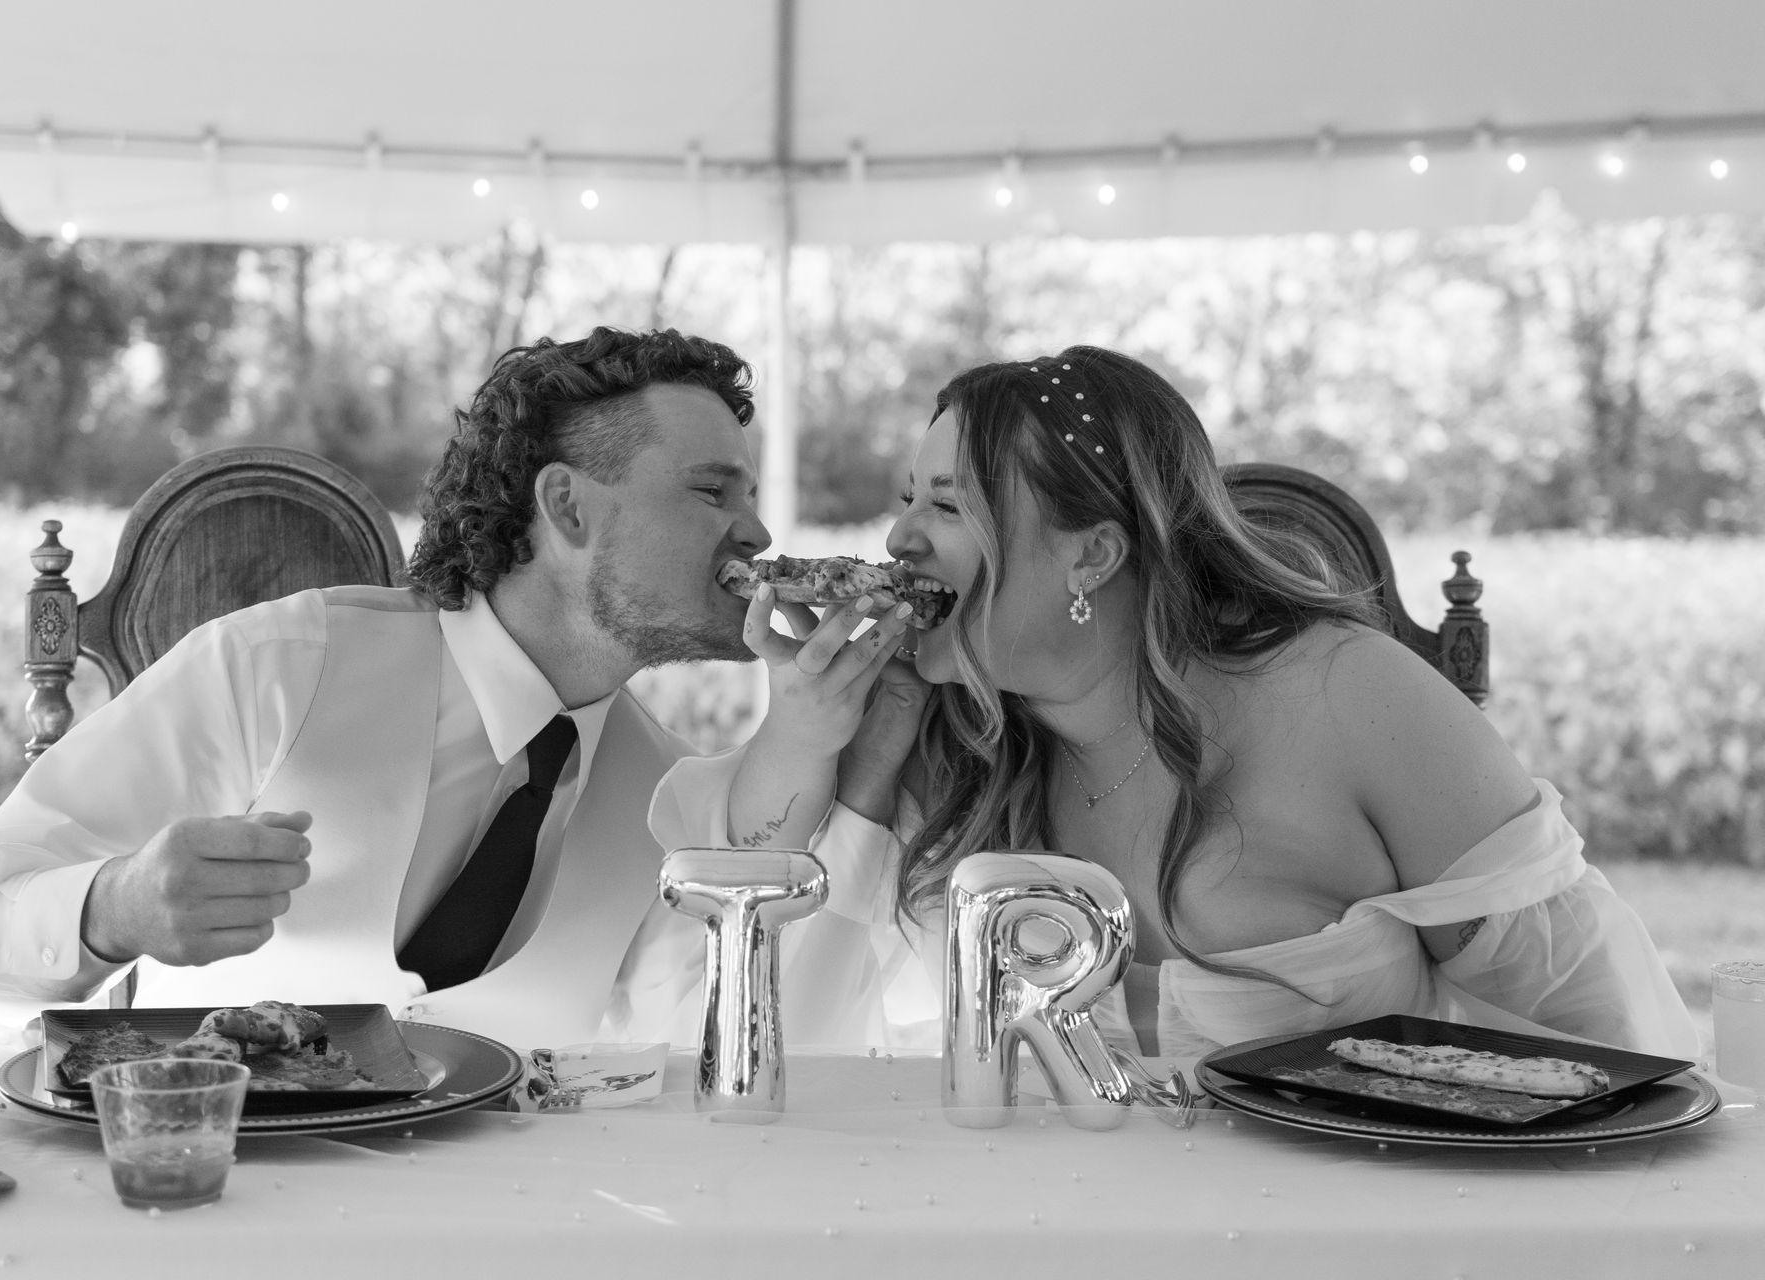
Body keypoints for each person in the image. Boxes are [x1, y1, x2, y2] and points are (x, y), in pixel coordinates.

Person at [645, 345, 1698, 1060]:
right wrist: (836, 749)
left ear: (1093, 554)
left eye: (950, 505)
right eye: (906, 500)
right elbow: (765, 1039)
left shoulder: (1350, 697)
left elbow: (1603, 1031)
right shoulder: (943, 736)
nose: (900, 543)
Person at [0, 327, 890, 1052]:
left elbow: (702, 1042)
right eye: (711, 493)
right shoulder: (281, 665)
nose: (759, 535)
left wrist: (812, 747)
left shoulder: (664, 791)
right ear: (566, 508)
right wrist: (112, 910)